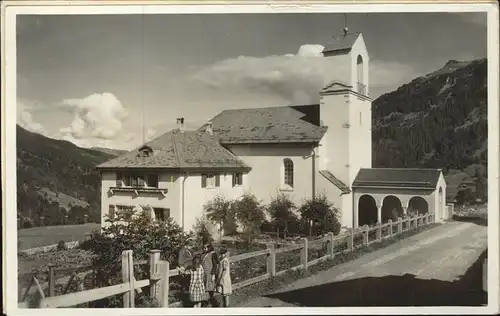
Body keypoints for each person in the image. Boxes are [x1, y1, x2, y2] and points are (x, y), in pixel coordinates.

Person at [201, 242, 219, 307]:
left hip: (210, 274)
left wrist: (213, 274)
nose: (204, 249)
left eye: (205, 248)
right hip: (204, 274)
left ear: (209, 248)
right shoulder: (203, 254)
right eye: (203, 248)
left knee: (211, 289)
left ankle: (214, 303)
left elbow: (215, 265)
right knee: (204, 287)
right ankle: (205, 302)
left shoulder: (212, 254)